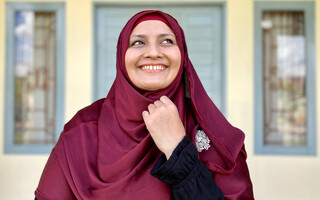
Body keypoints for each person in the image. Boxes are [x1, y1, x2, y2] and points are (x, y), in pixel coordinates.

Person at [35, 10, 254, 200]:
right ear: (122, 56)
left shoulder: (215, 136)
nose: (153, 52)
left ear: (183, 55)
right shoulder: (82, 131)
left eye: (166, 41)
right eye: (138, 42)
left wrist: (178, 150)